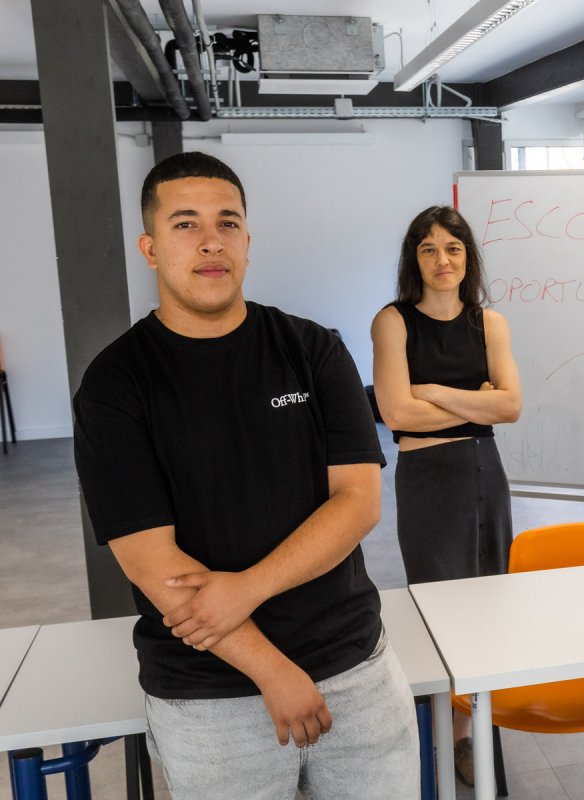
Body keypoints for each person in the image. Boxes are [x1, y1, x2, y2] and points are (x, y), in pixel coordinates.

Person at [73, 152, 419, 798]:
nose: (211, 240)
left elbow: (359, 501)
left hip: (355, 671)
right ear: (149, 248)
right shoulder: (115, 386)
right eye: (185, 224)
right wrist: (272, 671)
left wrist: (247, 588)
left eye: (227, 223)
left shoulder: (314, 350)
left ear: (248, 243)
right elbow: (155, 565)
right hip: (211, 696)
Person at [371, 205, 522, 785]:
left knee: (488, 604)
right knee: (437, 606)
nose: (442, 260)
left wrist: (431, 390)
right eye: (430, 248)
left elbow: (509, 407)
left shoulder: (491, 324)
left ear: (468, 257)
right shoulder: (393, 321)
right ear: (415, 258)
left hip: (486, 474)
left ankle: (471, 732)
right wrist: (471, 399)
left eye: (453, 248)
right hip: (429, 480)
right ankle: (434, 726)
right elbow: (394, 412)